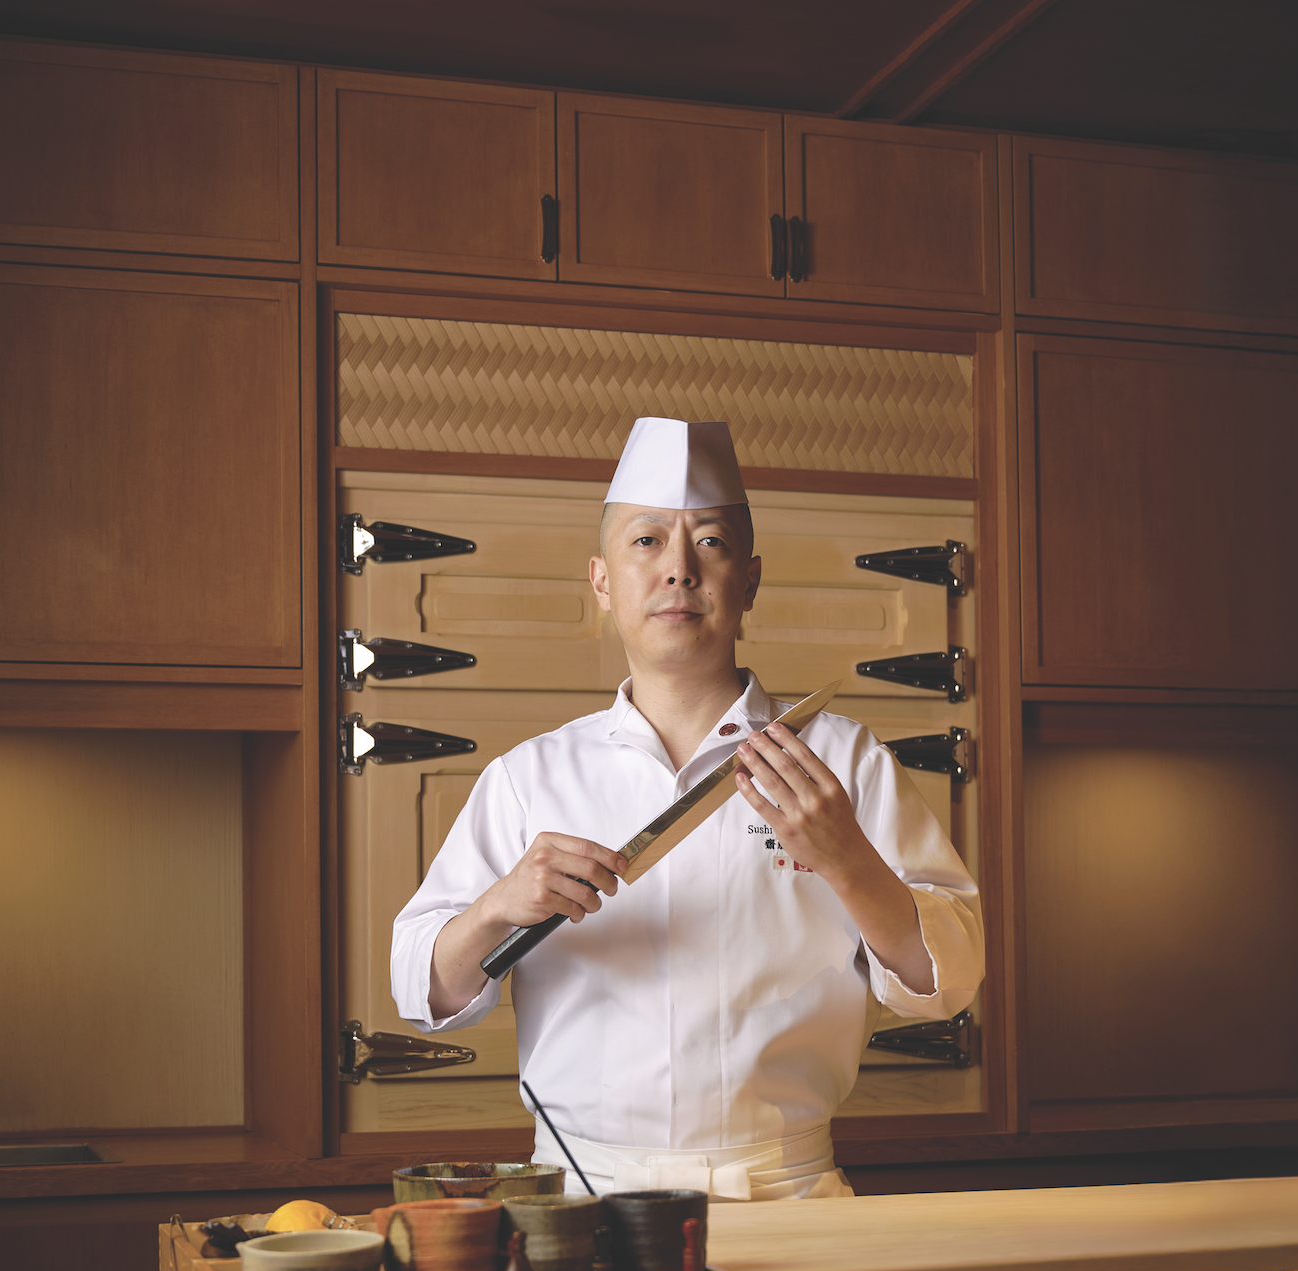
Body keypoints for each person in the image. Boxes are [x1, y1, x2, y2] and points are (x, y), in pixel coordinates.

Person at [391, 417, 984, 1199]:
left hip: (787, 1191)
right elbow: (419, 989)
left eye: (709, 542)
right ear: (602, 581)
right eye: (645, 542)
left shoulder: (842, 761)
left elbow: (950, 979)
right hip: (577, 1198)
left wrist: (848, 860)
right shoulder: (526, 778)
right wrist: (499, 906)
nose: (678, 570)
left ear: (750, 579)